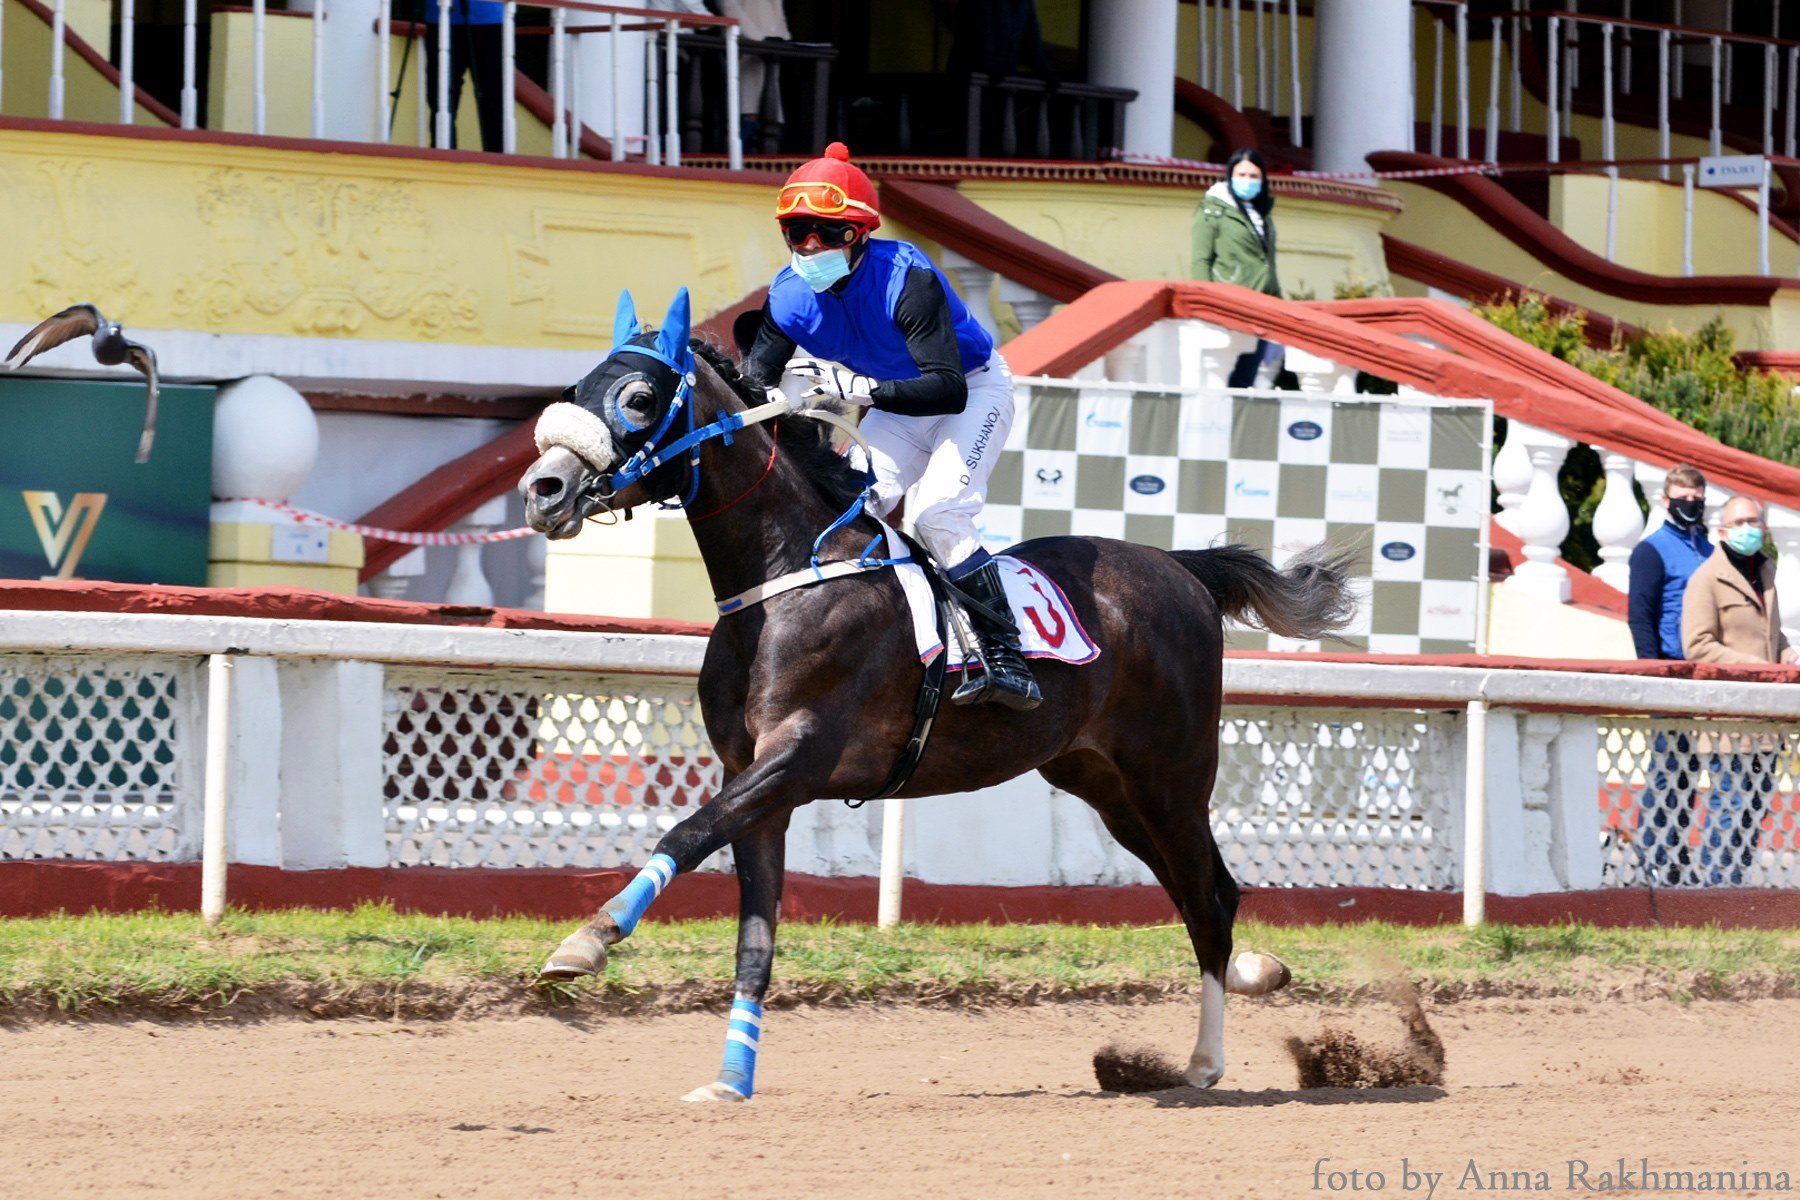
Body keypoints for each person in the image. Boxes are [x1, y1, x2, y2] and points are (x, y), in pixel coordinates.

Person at [739, 141, 1040, 711]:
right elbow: (756, 385)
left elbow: (947, 386)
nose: (809, 246)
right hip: (897, 410)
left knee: (937, 512)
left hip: (971, 392)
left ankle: (1006, 656)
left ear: (859, 234)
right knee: (844, 516)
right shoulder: (787, 297)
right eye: (797, 231)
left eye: (827, 233)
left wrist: (861, 390)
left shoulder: (909, 279)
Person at [1681, 495, 1795, 885]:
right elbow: (1697, 645)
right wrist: (1751, 668)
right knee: (1728, 804)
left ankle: (1735, 885)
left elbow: (1770, 635)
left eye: (1756, 522)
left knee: (1757, 806)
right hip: (1726, 719)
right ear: (1723, 530)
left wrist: (1787, 654)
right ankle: (1715, 888)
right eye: (1742, 521)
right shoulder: (1706, 579)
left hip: (1766, 719)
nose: (1751, 529)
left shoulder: (1766, 571)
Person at [1624, 465, 1711, 886]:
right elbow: (1640, 617)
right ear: (1665, 500)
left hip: (1707, 676)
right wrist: (1653, 673)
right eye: (1682, 497)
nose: (1689, 505)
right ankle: (1654, 855)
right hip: (1670, 673)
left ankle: (1675, 854)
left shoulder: (1711, 550)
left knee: (1690, 770)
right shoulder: (1651, 550)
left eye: (1696, 498)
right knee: (1667, 768)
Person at [1191, 147, 1284, 389]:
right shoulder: (1214, 209)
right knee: (1225, 376)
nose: (1247, 181)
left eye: (1254, 176)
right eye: (1241, 175)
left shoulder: (1263, 214)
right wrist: (1206, 304)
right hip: (1231, 303)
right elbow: (1201, 260)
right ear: (1230, 176)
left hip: (1262, 305)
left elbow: (1267, 262)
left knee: (1247, 378)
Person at [421, 0, 507, 153]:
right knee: (441, 97)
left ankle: (497, 162)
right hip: (442, 16)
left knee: (493, 99)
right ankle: (444, 162)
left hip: (488, 20)